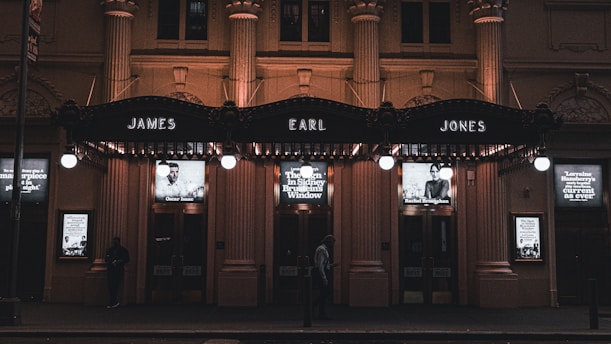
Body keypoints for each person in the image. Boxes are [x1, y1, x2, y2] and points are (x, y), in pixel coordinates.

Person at [312, 234, 335, 320]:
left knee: (324, 293)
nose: (333, 245)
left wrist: (331, 265)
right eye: (332, 242)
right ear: (328, 242)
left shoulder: (324, 249)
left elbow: (324, 263)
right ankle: (315, 306)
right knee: (325, 292)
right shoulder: (321, 249)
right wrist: (324, 277)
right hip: (322, 272)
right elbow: (320, 265)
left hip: (324, 271)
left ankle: (321, 312)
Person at [104, 236, 130, 309]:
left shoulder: (123, 250)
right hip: (111, 269)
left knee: (115, 286)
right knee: (110, 286)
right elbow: (106, 258)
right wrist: (111, 261)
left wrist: (118, 261)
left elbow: (127, 259)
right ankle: (113, 301)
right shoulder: (110, 250)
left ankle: (113, 301)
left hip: (118, 270)